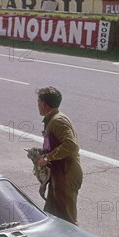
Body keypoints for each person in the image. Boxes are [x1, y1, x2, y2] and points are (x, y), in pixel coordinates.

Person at [35, 87, 83, 226]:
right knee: (52, 215)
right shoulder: (53, 119)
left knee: (67, 220)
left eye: (38, 102)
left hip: (66, 176)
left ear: (44, 104)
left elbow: (70, 144)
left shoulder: (58, 121)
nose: (37, 105)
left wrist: (48, 157)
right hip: (59, 176)